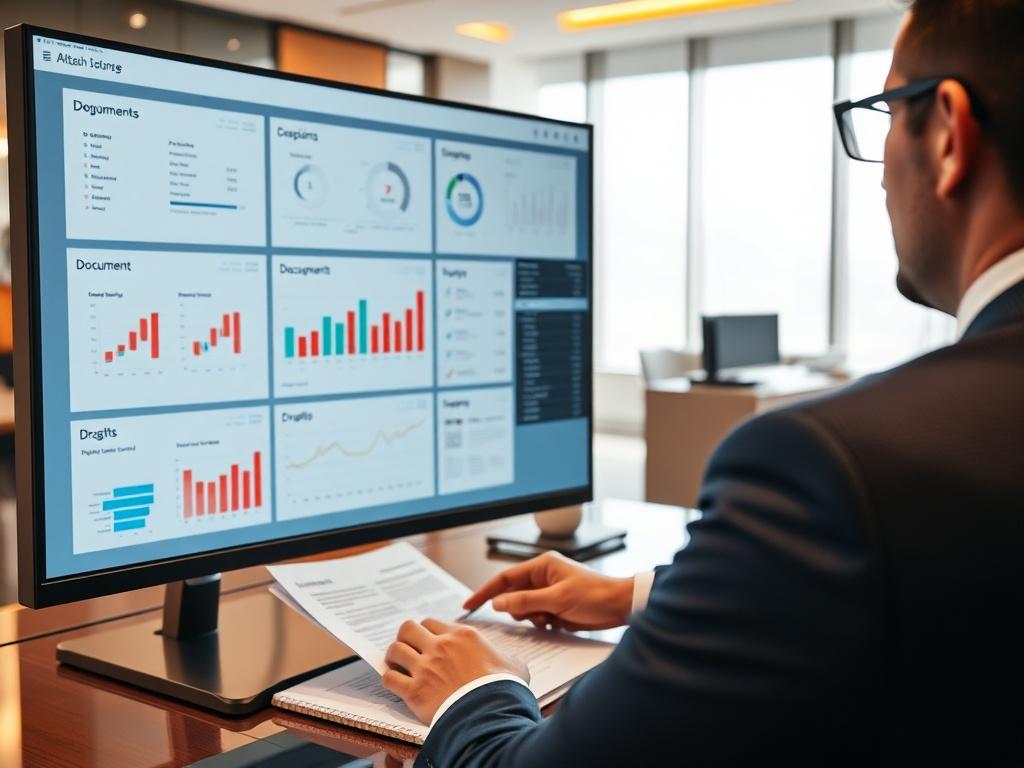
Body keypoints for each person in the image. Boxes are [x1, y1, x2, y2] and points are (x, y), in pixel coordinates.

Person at [382, 1, 1024, 763]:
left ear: (948, 132)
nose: (880, 168)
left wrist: (475, 691)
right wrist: (634, 595)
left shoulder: (824, 464)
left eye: (885, 112)